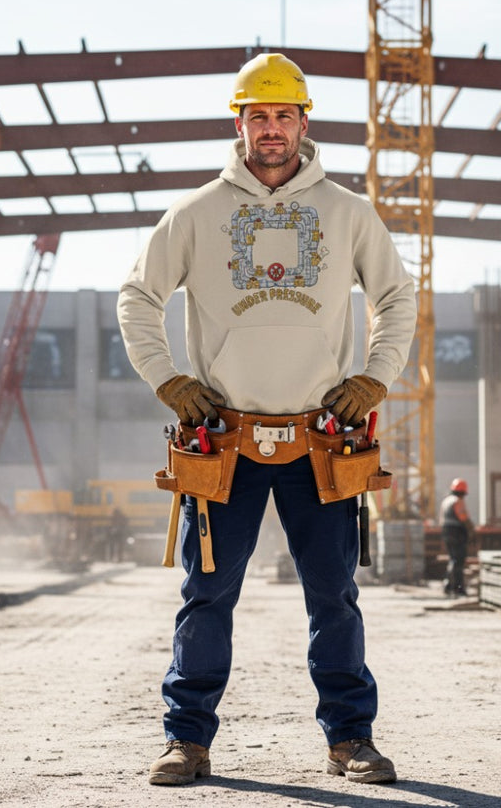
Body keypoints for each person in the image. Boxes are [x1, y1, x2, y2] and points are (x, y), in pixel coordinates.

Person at [117, 53, 417, 787]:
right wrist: (168, 378)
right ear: (240, 123)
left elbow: (395, 297)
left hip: (322, 441)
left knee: (334, 598)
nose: (272, 129)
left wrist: (375, 376)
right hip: (225, 440)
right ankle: (186, 741)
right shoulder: (196, 213)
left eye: (284, 115)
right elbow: (137, 297)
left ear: (304, 122)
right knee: (206, 598)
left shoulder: (348, 212)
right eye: (258, 116)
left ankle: (350, 739)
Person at [441, 478, 475, 597]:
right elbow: (464, 518)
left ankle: (448, 585)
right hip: (457, 534)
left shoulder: (446, 501)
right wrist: (471, 530)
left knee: (453, 559)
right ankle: (458, 588)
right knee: (458, 561)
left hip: (447, 533)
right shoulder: (457, 501)